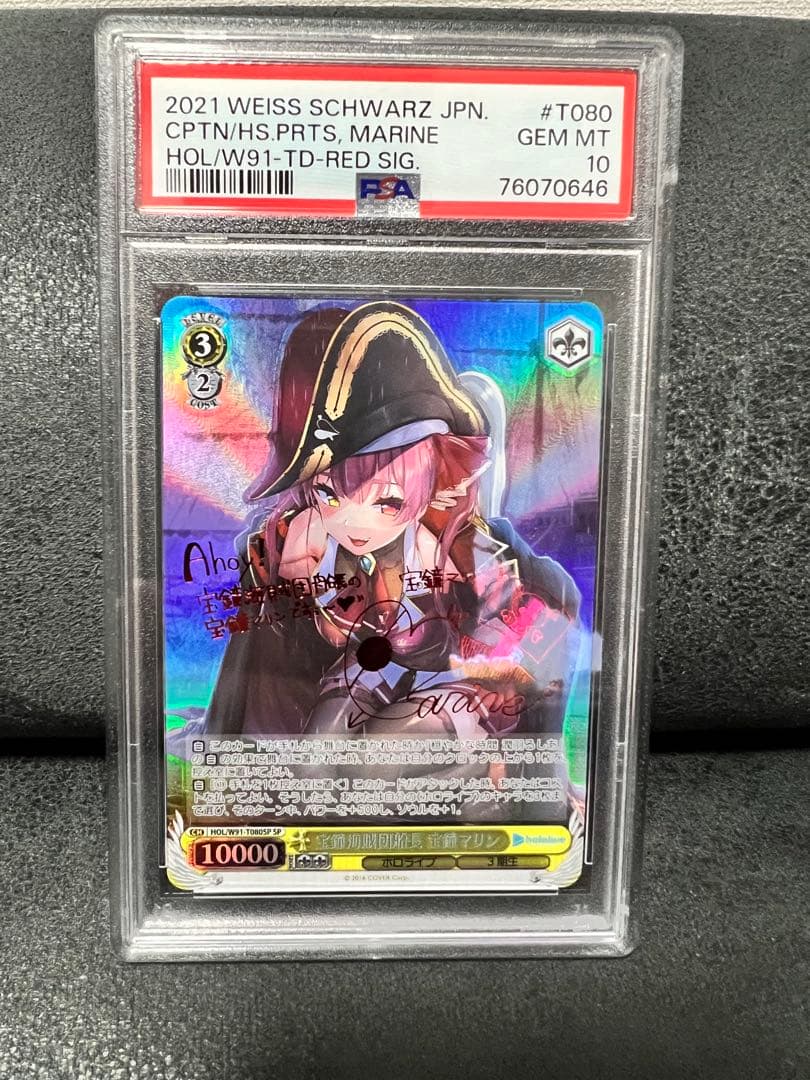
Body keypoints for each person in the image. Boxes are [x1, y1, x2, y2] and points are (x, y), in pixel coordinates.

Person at [205, 301, 582, 818]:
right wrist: (295, 592)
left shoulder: (468, 550)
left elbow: (543, 625)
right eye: (329, 494)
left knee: (379, 760)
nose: (354, 522)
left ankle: (479, 782)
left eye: (387, 501)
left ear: (437, 477)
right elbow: (260, 697)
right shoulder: (294, 546)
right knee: (315, 764)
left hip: (450, 693)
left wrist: (505, 684)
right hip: (365, 683)